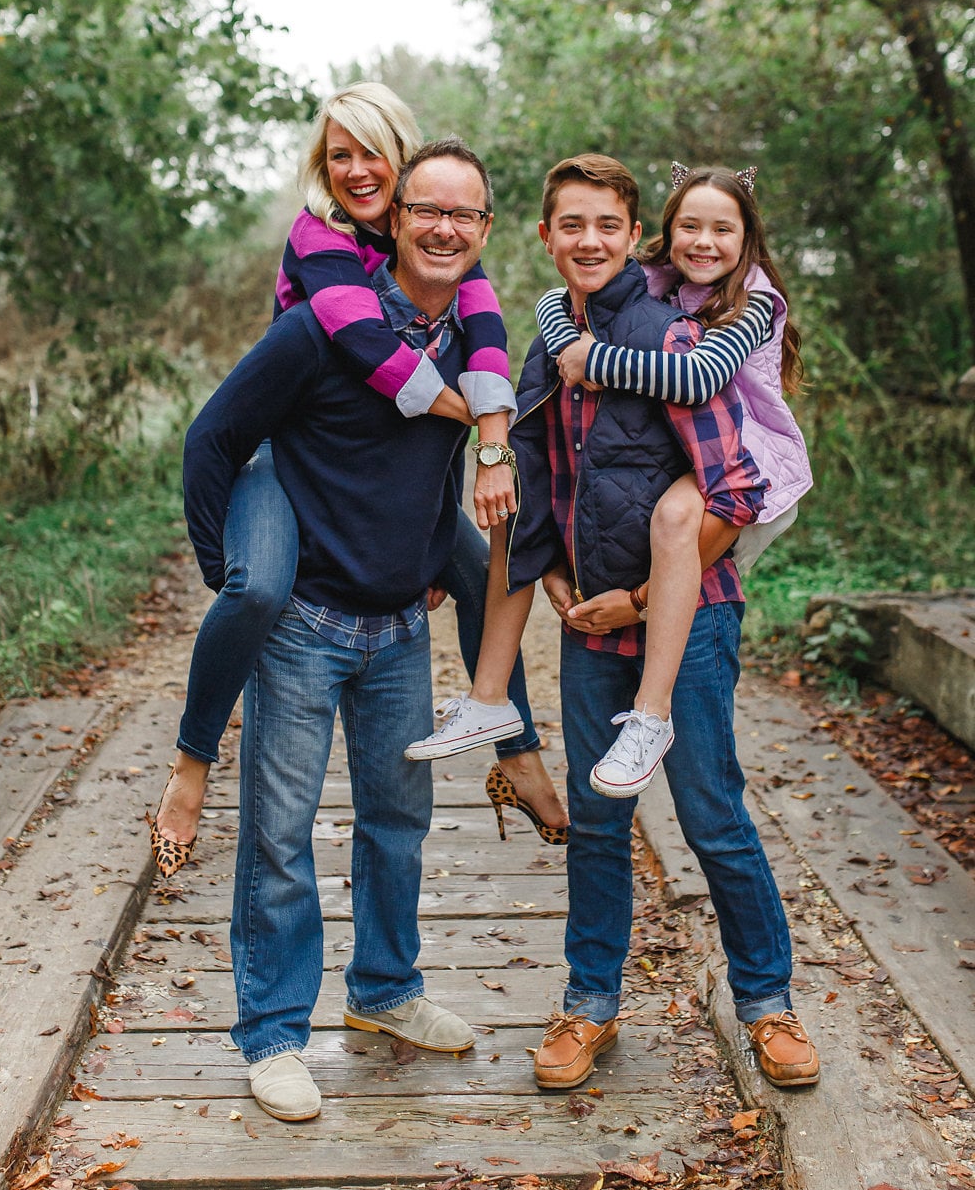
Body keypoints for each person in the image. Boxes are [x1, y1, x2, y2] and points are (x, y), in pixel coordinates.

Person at [149, 85, 567, 880]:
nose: (354, 170)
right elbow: (373, 353)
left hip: (400, 485)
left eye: (371, 152)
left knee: (484, 574)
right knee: (258, 589)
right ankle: (193, 761)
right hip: (286, 454)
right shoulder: (324, 241)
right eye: (338, 154)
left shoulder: (444, 247)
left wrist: (484, 442)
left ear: (405, 165)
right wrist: (219, 563)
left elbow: (484, 333)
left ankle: (516, 752)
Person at [181, 138, 505, 1120]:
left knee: (398, 824)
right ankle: (275, 1034)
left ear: (484, 234)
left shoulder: (475, 352)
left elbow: (436, 469)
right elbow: (214, 439)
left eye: (465, 214)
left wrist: (428, 561)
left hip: (400, 629)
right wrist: (229, 574)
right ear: (395, 220)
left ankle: (385, 993)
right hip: (303, 628)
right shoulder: (320, 331)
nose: (444, 228)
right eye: (427, 211)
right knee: (279, 837)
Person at [503, 153, 819, 1092]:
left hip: (693, 621)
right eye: (572, 226)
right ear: (549, 235)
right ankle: (588, 1005)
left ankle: (768, 1004)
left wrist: (640, 598)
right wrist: (557, 576)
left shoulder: (683, 344)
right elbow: (540, 472)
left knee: (713, 812)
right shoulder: (554, 335)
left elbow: (730, 492)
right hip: (588, 622)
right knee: (600, 819)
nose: (590, 241)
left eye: (607, 225)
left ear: (631, 234)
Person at [420, 162, 811, 810]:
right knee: (512, 509)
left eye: (723, 228)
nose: (704, 241)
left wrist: (593, 359)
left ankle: (652, 712)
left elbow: (701, 383)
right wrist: (561, 331)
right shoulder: (631, 296)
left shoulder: (740, 306)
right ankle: (488, 697)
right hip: (597, 615)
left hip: (764, 467)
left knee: (713, 819)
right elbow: (559, 312)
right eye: (689, 225)